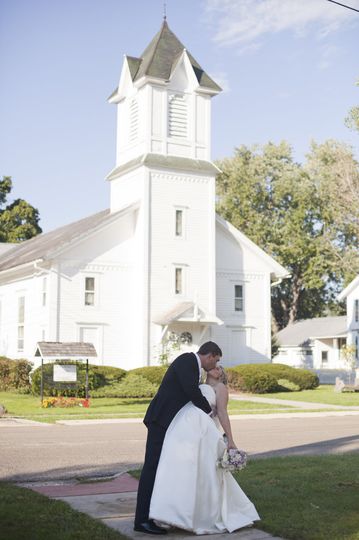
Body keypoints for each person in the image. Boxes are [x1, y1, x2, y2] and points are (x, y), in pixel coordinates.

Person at [149, 365, 260, 534]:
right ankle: (179, 514)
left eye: (219, 369)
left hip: (206, 433)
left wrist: (230, 439)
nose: (216, 369)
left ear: (222, 375)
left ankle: (205, 515)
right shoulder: (198, 385)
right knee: (187, 472)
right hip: (189, 433)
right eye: (214, 366)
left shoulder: (220, 388)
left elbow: (222, 412)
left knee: (206, 474)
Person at [134, 341, 222, 535]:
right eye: (215, 361)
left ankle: (155, 514)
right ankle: (141, 520)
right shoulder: (187, 360)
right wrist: (209, 411)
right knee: (152, 468)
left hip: (169, 423)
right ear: (209, 355)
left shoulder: (193, 365)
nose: (215, 366)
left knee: (161, 469)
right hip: (160, 421)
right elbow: (190, 390)